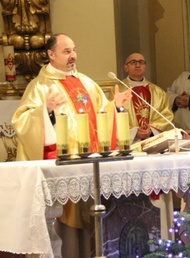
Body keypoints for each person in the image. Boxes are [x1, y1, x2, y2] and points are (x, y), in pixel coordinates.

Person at [11, 33, 132, 258]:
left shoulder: (86, 83)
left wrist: (114, 107)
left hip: (90, 166)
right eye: (67, 51)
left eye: (74, 50)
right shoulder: (40, 86)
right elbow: (23, 121)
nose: (73, 56)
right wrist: (44, 112)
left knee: (91, 225)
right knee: (67, 232)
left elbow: (101, 114)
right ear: (51, 54)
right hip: (63, 170)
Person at [122, 52, 174, 142]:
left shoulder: (158, 92)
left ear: (145, 67)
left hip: (153, 140)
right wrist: (134, 132)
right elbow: (113, 116)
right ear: (126, 68)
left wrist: (151, 130)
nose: (138, 65)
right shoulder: (119, 91)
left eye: (141, 62)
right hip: (130, 141)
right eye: (133, 62)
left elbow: (167, 115)